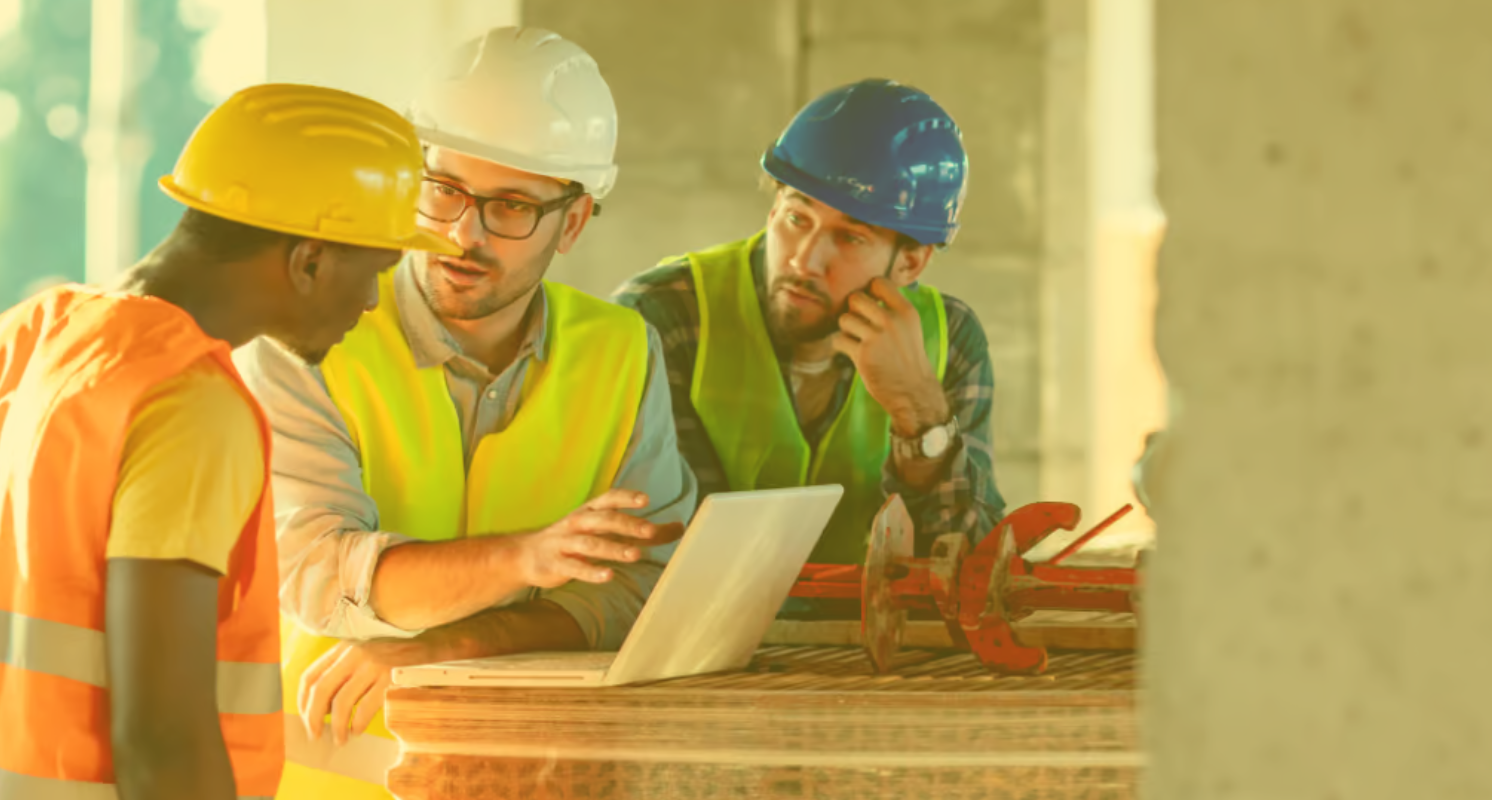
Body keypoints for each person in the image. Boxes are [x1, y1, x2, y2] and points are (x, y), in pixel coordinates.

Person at [0, 83, 457, 799]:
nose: (372, 303)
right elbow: (164, 751)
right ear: (309, 260)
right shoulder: (188, 403)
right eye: (374, 271)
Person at [236, 27, 695, 796]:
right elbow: (317, 574)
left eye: (510, 206)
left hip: (532, 778)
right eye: (443, 188)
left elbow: (636, 590)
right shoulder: (307, 332)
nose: (461, 233)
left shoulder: (621, 350)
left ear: (573, 223)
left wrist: (444, 647)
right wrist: (525, 561)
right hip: (324, 778)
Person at [613, 79, 1006, 615]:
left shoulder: (950, 340)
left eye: (850, 237)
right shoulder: (665, 317)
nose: (804, 260)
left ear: (911, 262)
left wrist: (920, 412)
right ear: (774, 207)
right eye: (797, 219)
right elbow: (666, 558)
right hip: (699, 666)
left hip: (886, 674)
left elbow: (974, 578)